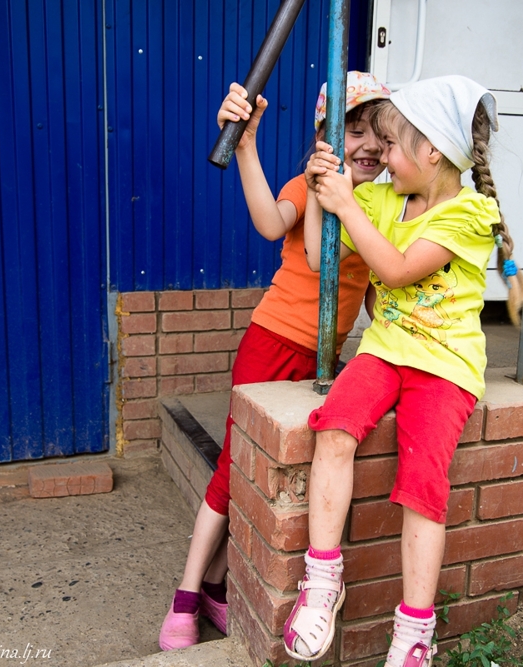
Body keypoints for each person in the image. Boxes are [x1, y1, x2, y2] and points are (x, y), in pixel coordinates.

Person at [285, 75, 523, 666]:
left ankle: (413, 633)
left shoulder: (471, 214)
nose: (381, 157)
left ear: (433, 153)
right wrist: (327, 192)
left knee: (423, 483)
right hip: (385, 351)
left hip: (444, 368)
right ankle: (322, 582)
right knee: (335, 428)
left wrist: (347, 203)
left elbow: (395, 270)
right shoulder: (380, 199)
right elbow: (325, 256)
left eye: (391, 145)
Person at [158, 71, 390, 651]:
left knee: (268, 472)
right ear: (324, 137)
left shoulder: (384, 207)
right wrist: (247, 146)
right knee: (235, 468)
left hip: (322, 360)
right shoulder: (307, 185)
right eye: (351, 130)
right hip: (270, 343)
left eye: (379, 135)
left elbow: (372, 292)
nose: (366, 146)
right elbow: (268, 224)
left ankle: (214, 584)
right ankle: (186, 595)